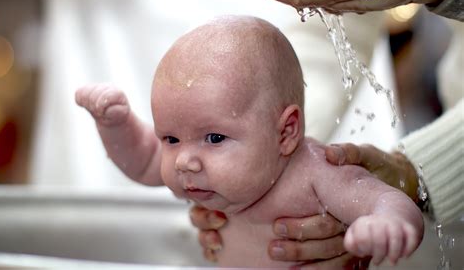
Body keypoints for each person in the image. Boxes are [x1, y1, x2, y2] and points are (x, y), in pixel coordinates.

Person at [75, 15, 424, 268]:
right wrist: (116, 125)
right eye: (171, 138)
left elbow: (390, 199)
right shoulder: (201, 177)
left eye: (214, 138)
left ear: (286, 133)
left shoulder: (316, 174)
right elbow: (144, 162)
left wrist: (385, 224)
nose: (184, 161)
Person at [194, 0, 463, 266]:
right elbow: (325, 23)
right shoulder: (242, 165)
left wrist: (420, 175)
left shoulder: (326, 176)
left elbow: (394, 207)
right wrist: (266, 142)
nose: (186, 160)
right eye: (171, 139)